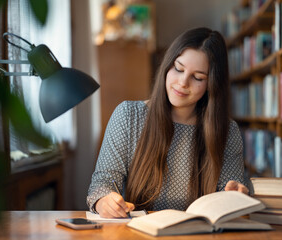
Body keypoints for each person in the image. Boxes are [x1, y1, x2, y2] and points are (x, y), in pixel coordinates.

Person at [87, 27, 248, 218]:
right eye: (178, 69)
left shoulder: (227, 132)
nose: (182, 82)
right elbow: (101, 184)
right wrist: (103, 201)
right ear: (167, 66)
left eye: (197, 78)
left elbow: (230, 194)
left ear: (212, 85)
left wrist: (235, 196)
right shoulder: (128, 115)